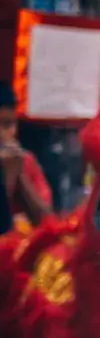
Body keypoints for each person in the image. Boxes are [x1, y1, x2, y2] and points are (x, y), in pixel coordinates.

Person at [0, 83, 53, 232]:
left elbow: (47, 222)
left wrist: (21, 175)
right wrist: (7, 178)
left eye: (8, 124)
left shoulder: (26, 160)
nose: (2, 134)